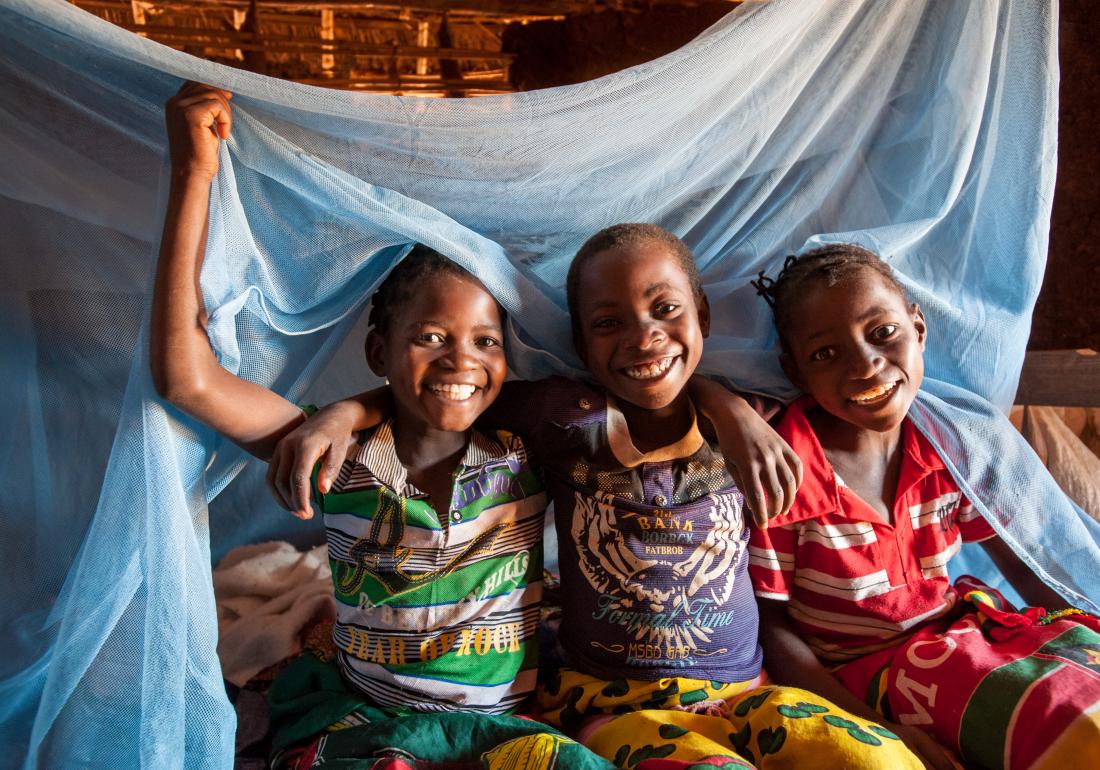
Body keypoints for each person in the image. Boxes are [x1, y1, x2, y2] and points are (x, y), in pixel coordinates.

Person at [271, 225, 922, 769]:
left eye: (666, 310)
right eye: (610, 323)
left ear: (703, 315)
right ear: (581, 346)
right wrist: (341, 414)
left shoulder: (757, 422)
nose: (643, 337)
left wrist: (728, 405)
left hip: (745, 692)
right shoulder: (562, 416)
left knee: (880, 759)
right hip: (611, 702)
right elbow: (447, 393)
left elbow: (858, 386)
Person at [151, 82, 613, 770]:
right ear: (380, 353)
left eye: (486, 341)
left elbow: (640, 377)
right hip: (371, 724)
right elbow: (184, 377)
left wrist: (726, 407)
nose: (462, 358)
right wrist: (194, 172)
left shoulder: (527, 450)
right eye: (431, 336)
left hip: (503, 731)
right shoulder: (333, 453)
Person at [748, 244, 1100, 770]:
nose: (866, 365)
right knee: (1064, 718)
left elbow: (1026, 565)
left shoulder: (947, 444)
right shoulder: (784, 472)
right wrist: (877, 727)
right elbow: (772, 628)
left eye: (882, 333)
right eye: (825, 353)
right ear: (795, 371)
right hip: (878, 674)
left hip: (974, 631)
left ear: (919, 329)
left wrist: (1081, 617)